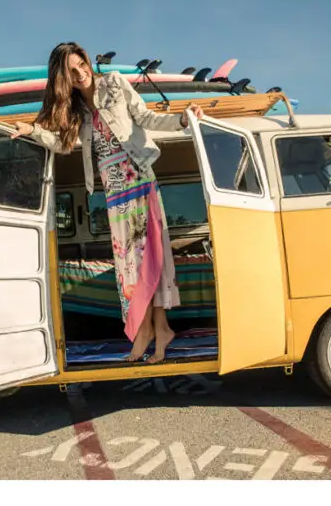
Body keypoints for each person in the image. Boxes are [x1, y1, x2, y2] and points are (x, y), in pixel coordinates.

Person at [12, 42, 200, 363]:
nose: (81, 73)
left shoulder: (114, 82)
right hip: (114, 196)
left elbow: (146, 117)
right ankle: (152, 330)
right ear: (62, 79)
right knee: (130, 267)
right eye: (71, 71)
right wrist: (32, 131)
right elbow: (62, 144)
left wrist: (181, 120)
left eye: (81, 64)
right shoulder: (74, 111)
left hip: (139, 181)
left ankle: (153, 331)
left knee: (149, 260)